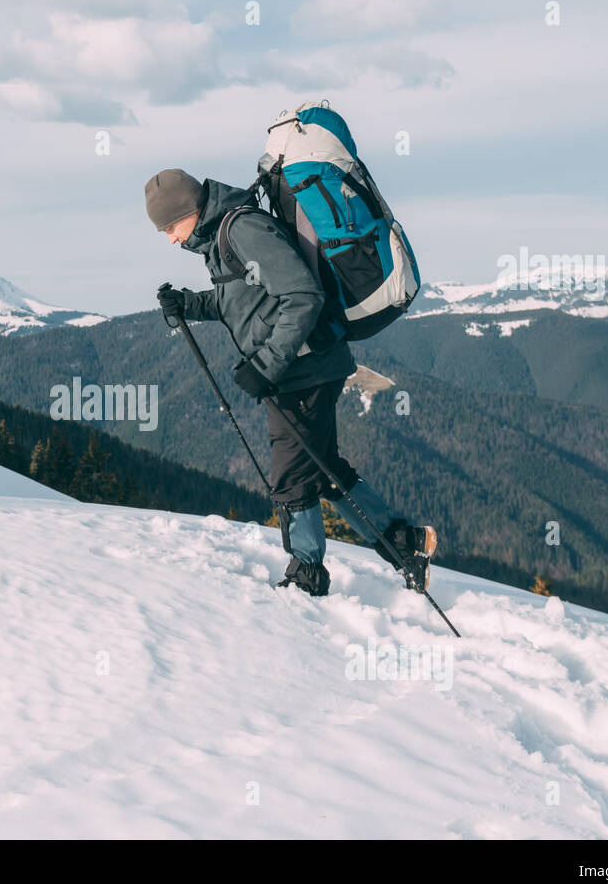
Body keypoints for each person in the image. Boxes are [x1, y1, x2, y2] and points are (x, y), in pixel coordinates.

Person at [144, 167, 435, 596]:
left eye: (170, 225)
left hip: (304, 369)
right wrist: (189, 304)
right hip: (302, 367)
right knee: (323, 470)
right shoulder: (222, 236)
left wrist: (266, 365)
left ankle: (306, 575)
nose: (170, 238)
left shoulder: (243, 228)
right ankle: (405, 543)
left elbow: (303, 296)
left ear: (190, 209)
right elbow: (243, 302)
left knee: (291, 477)